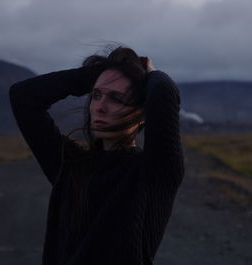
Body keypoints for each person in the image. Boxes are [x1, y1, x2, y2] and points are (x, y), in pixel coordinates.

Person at [9, 46, 184, 265]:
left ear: (142, 113)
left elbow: (164, 93)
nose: (99, 107)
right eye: (96, 95)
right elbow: (23, 97)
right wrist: (100, 73)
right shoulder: (71, 166)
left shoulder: (154, 172)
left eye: (116, 99)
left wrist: (152, 74)